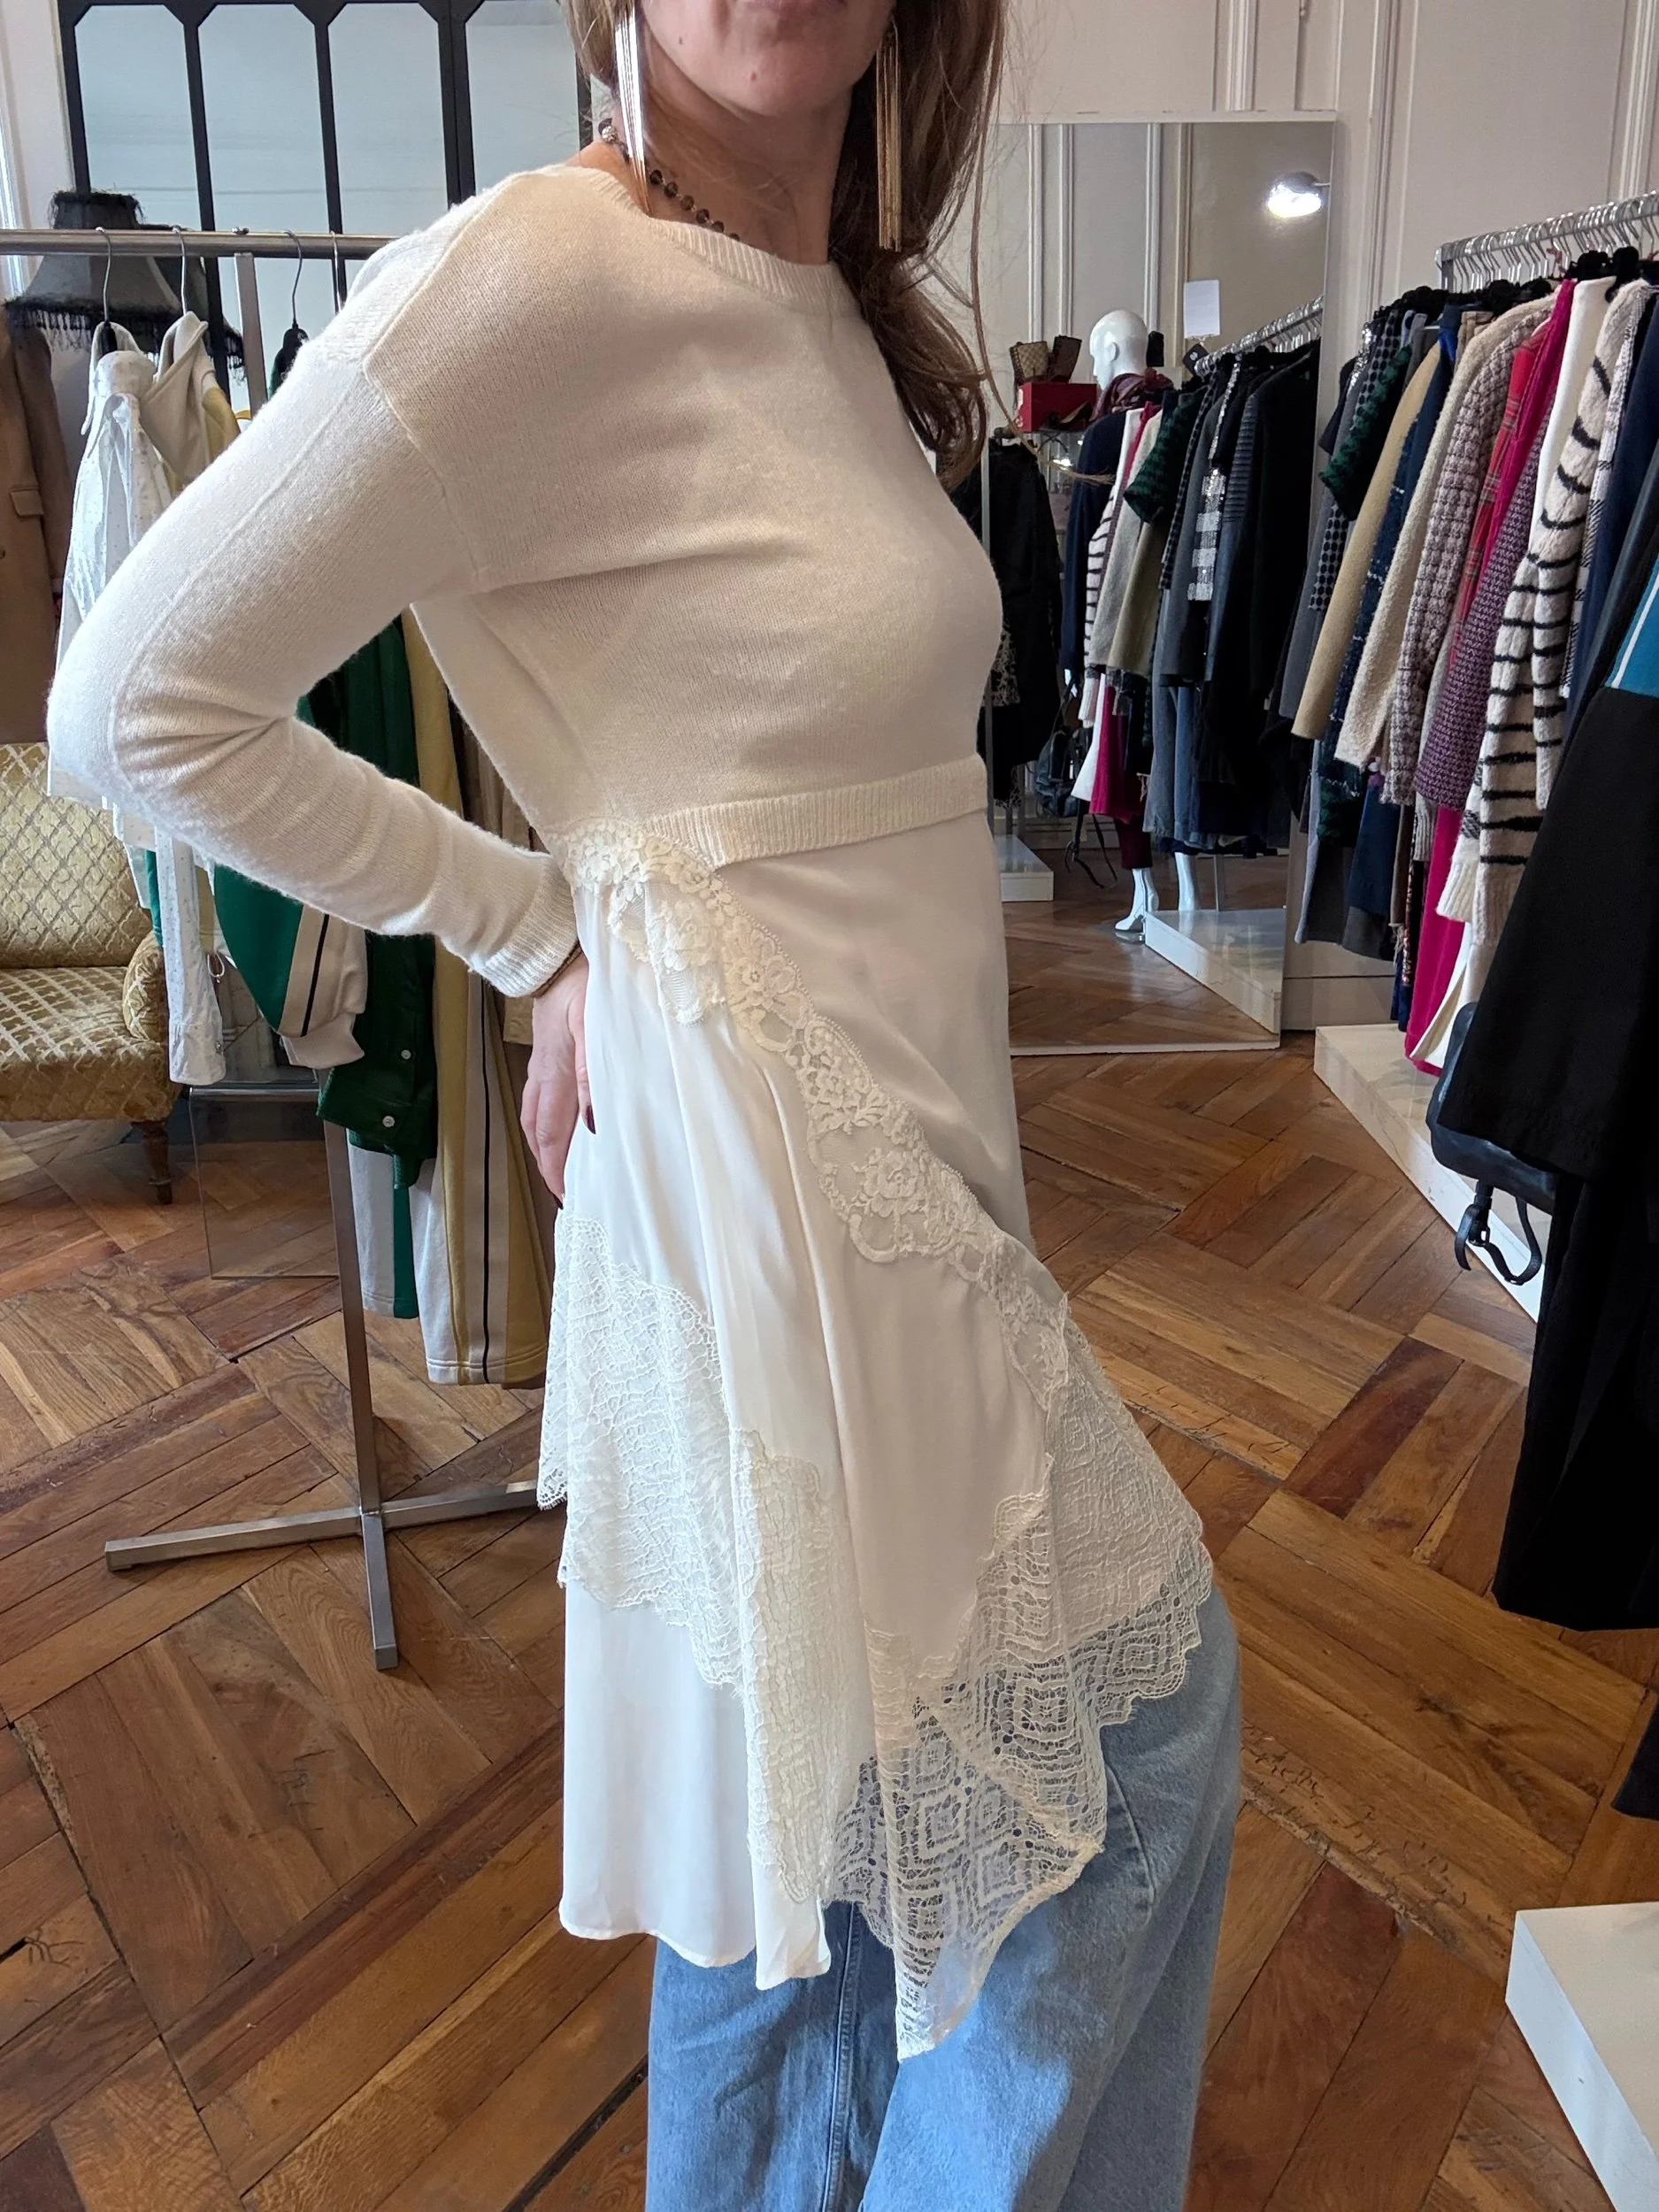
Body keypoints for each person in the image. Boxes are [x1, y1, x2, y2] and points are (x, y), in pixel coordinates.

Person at [48, 2, 1240, 2202]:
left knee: (794, 1861)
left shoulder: (831, 308)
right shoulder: (535, 275)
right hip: (770, 1150)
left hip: (882, 1142)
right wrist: (534, 929)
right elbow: (133, 702)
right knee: (1130, 1746)